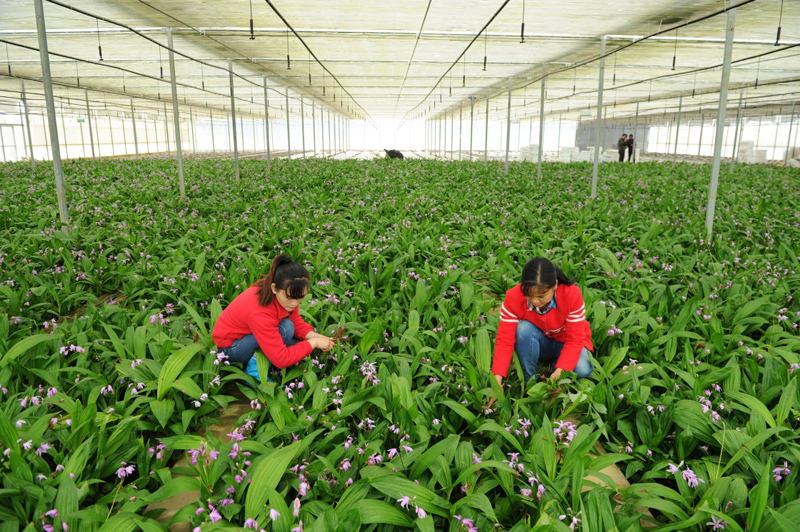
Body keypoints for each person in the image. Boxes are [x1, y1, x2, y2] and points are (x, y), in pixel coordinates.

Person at [488, 258, 594, 406]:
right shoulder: (513, 298)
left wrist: (561, 370)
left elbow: (575, 340)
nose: (535, 301)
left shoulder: (571, 295)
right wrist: (497, 380)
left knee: (584, 368)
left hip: (567, 342)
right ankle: (530, 382)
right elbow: (504, 340)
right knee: (522, 328)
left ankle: (554, 368)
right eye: (529, 295)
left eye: (541, 296)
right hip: (541, 341)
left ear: (555, 285)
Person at [212, 254, 334, 382]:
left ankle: (265, 359)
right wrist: (313, 343)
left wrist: (315, 337)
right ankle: (254, 372)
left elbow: (295, 320)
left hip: (252, 334)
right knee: (286, 329)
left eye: (300, 297)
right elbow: (282, 359)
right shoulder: (259, 311)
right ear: (275, 288)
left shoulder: (281, 293)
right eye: (290, 297)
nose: (294, 303)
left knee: (306, 350)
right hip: (229, 349)